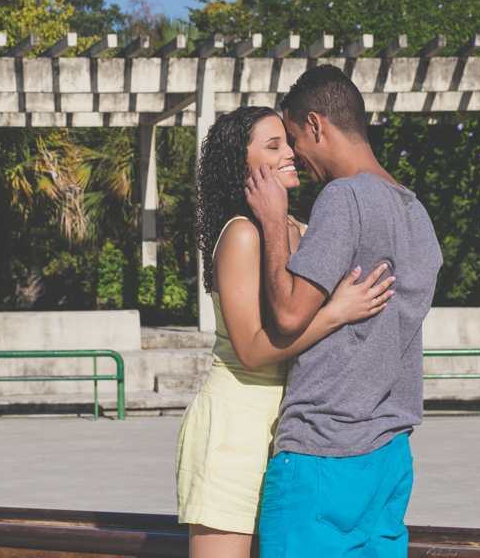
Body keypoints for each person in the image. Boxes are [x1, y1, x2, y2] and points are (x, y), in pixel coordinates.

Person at [176, 105, 397, 558]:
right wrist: (337, 312)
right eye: (272, 146)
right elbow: (254, 352)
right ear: (241, 166)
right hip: (234, 427)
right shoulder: (241, 234)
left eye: (288, 142)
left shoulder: (304, 228)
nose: (290, 153)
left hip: (290, 428)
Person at [245, 65, 443, 558]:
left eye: (293, 138)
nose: (294, 156)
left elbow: (289, 315)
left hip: (324, 453)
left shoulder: (344, 196)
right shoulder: (417, 212)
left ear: (316, 125)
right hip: (390, 456)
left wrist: (272, 222)